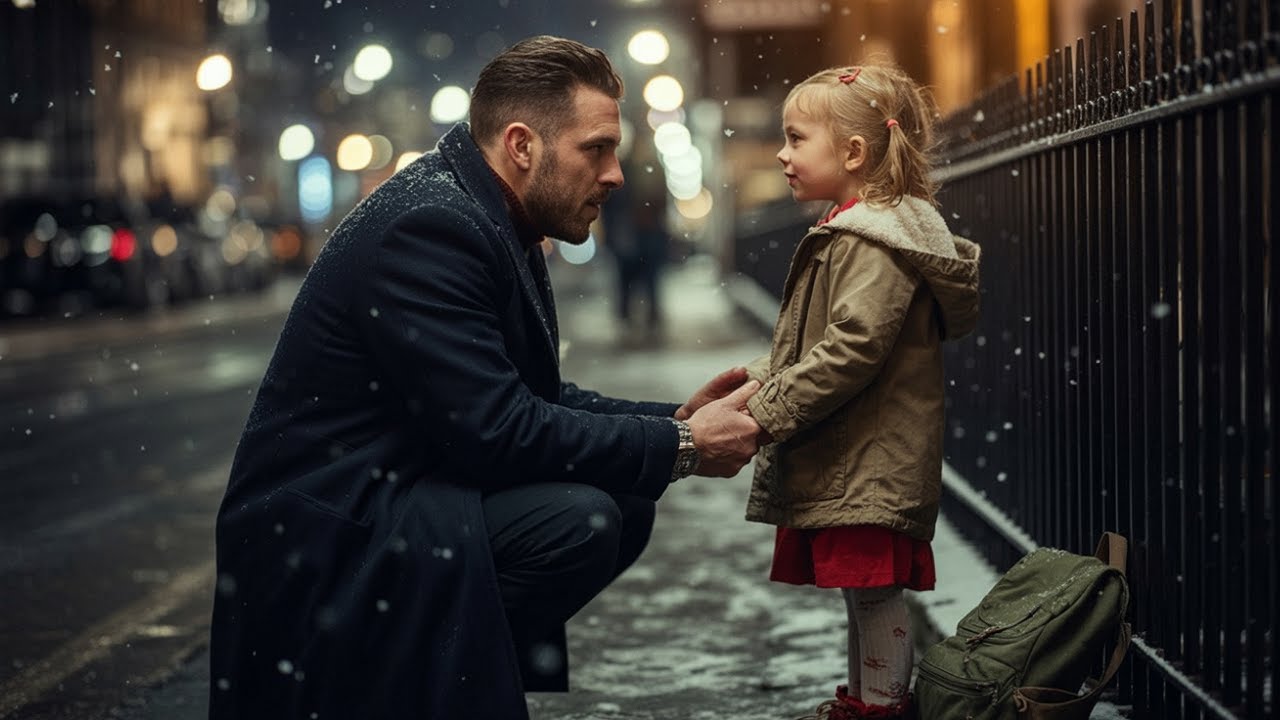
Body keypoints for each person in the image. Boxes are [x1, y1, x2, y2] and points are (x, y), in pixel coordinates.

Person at [208, 35, 762, 720]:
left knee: (624, 500)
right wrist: (682, 446)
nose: (615, 173)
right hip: (329, 537)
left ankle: (435, 677)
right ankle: (399, 690)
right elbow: (496, 431)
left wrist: (675, 419)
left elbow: (530, 398)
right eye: (596, 149)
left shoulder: (488, 210)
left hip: (398, 495)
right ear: (522, 145)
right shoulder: (433, 226)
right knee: (579, 521)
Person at [740, 62, 981, 720]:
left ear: (852, 152)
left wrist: (764, 413)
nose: (783, 156)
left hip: (869, 457)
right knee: (861, 593)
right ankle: (866, 702)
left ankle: (881, 708)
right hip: (858, 455)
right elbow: (815, 339)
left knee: (874, 595)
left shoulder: (873, 240)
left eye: (795, 139)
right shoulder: (855, 227)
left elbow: (850, 348)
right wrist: (751, 385)